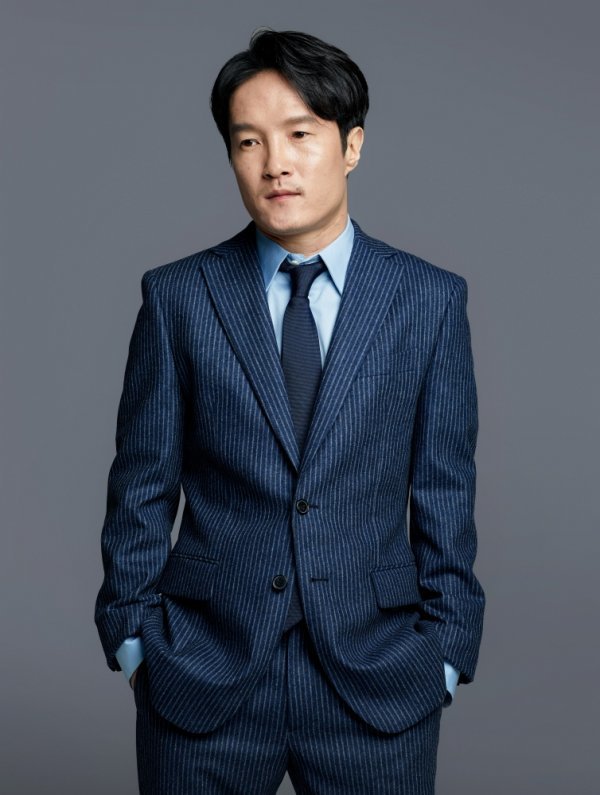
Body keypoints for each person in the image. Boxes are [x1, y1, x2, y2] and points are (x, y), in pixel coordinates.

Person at [95, 28, 485, 795]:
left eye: (300, 134)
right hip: (202, 670)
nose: (274, 162)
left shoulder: (429, 300)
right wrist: (134, 640)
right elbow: (141, 484)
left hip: (377, 678)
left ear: (352, 146)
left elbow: (445, 489)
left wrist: (445, 652)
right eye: (249, 141)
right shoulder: (179, 298)